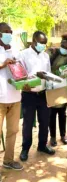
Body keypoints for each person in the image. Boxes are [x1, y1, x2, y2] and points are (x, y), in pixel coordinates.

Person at [19, 31, 55, 162]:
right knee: (28, 123)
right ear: (34, 41)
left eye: (45, 44)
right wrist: (35, 75)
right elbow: (20, 75)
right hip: (29, 94)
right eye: (41, 43)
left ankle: (42, 145)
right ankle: (25, 148)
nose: (43, 46)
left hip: (43, 94)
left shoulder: (45, 56)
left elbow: (49, 73)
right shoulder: (23, 55)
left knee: (45, 121)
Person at [0, 22, 23, 180]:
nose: (9, 33)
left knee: (13, 131)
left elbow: (20, 68)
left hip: (15, 96)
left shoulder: (14, 48)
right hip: (0, 98)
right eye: (5, 31)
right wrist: (3, 64)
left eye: (10, 31)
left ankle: (8, 160)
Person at [46, 34, 67, 146]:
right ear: (61, 42)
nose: (65, 46)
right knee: (52, 114)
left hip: (63, 89)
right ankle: (52, 137)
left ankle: (63, 135)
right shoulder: (52, 52)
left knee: (62, 113)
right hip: (51, 87)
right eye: (63, 44)